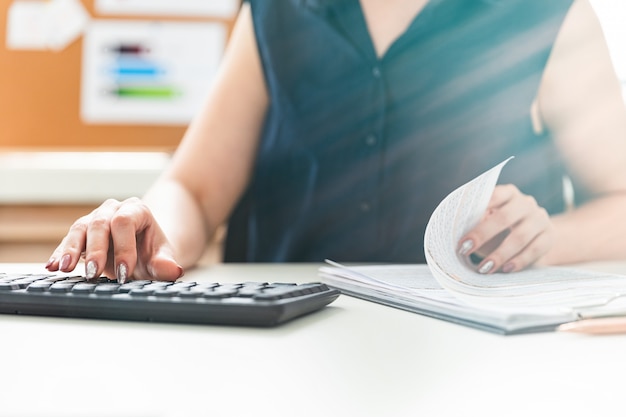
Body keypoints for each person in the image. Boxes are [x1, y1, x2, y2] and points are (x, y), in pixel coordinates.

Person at [46, 0, 626, 282]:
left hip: (468, 348)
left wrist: (546, 239)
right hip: (276, 343)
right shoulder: (275, 12)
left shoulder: (549, 14)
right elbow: (195, 190)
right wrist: (153, 227)